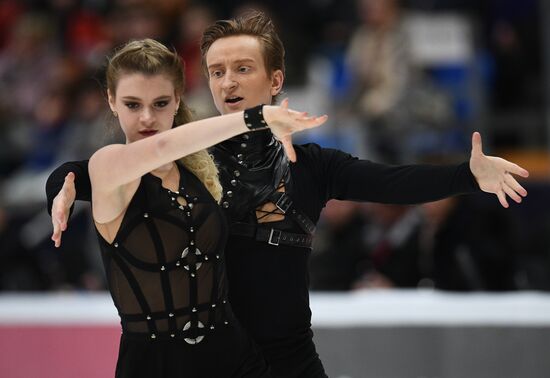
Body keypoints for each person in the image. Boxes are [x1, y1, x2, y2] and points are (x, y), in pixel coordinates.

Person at [46, 11, 529, 378]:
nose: (228, 81)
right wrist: (60, 188)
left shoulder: (313, 165)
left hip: (287, 357)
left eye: (242, 68)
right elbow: (102, 168)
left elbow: (392, 182)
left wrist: (467, 176)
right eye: (216, 72)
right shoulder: (191, 158)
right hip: (215, 354)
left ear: (276, 80)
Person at [52, 37, 325, 377]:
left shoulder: (198, 170)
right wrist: (259, 116)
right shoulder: (108, 165)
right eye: (133, 105)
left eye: (161, 103)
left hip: (235, 356)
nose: (148, 118)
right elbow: (158, 148)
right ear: (111, 101)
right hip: (155, 365)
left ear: (177, 99)